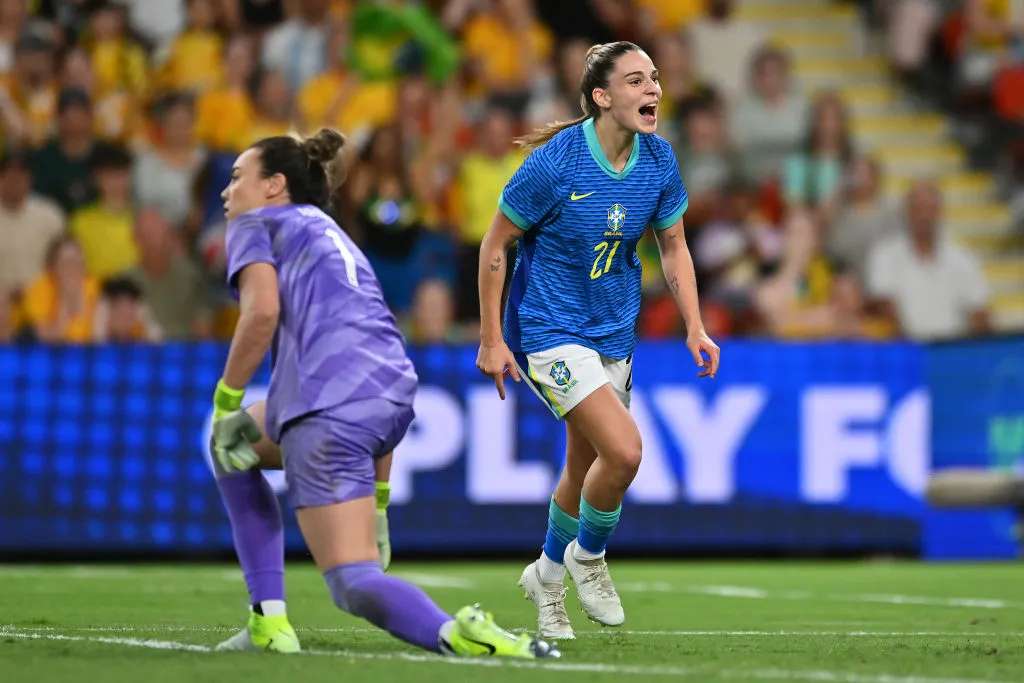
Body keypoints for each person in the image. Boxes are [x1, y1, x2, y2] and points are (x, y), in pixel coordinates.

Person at [210, 127, 559, 660]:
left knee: (353, 582)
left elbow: (261, 312)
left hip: (327, 408)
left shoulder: (258, 223)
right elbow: (372, 355)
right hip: (389, 401)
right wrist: (378, 502)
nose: (226, 192)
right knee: (233, 450)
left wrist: (226, 402)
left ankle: (459, 633)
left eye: (238, 178)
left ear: (275, 186)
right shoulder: (333, 236)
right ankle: (266, 622)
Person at [476, 41, 721, 641]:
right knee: (626, 452)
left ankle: (546, 579)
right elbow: (493, 246)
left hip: (613, 332)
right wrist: (490, 339)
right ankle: (589, 558)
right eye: (637, 81)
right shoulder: (556, 164)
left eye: (656, 79)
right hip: (547, 329)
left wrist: (694, 323)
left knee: (583, 466)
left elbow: (673, 248)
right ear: (602, 97)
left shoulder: (658, 162)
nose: (654, 90)